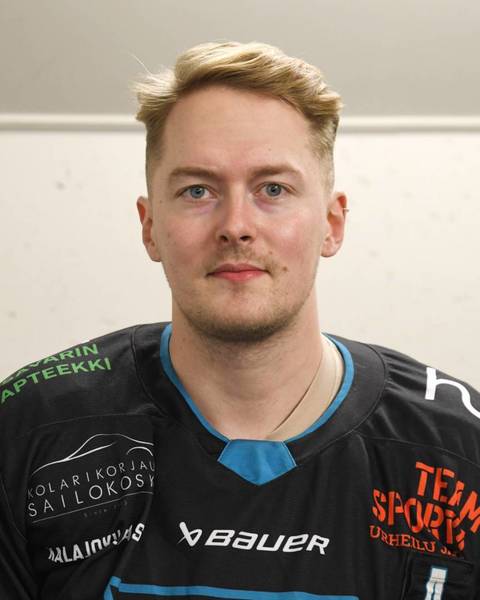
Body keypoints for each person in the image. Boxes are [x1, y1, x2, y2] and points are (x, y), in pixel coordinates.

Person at [0, 40, 479, 600]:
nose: (236, 226)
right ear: (150, 227)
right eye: (197, 190)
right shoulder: (28, 432)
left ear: (332, 224)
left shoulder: (457, 451)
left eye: (273, 189)